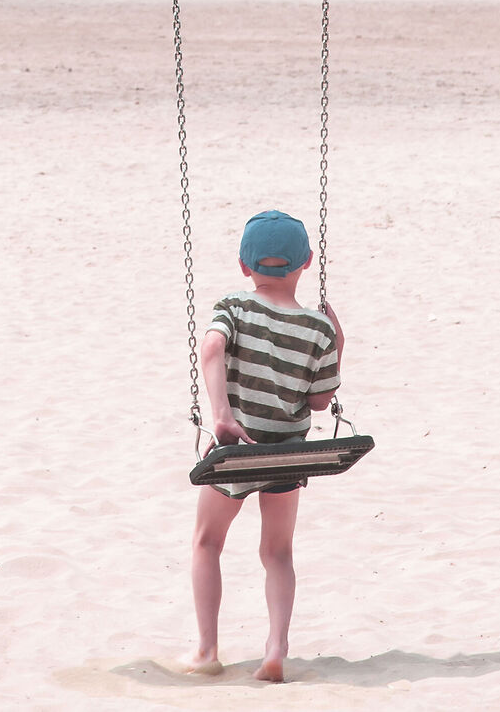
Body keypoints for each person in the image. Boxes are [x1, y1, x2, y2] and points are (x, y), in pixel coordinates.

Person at [181, 209, 344, 683]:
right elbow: (319, 401)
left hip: (236, 452)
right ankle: (275, 648)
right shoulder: (319, 328)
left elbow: (211, 349)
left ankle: (207, 649)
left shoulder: (233, 305)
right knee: (278, 553)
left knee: (207, 542)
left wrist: (222, 416)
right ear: (308, 262)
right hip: (287, 452)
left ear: (243, 264)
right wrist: (339, 340)